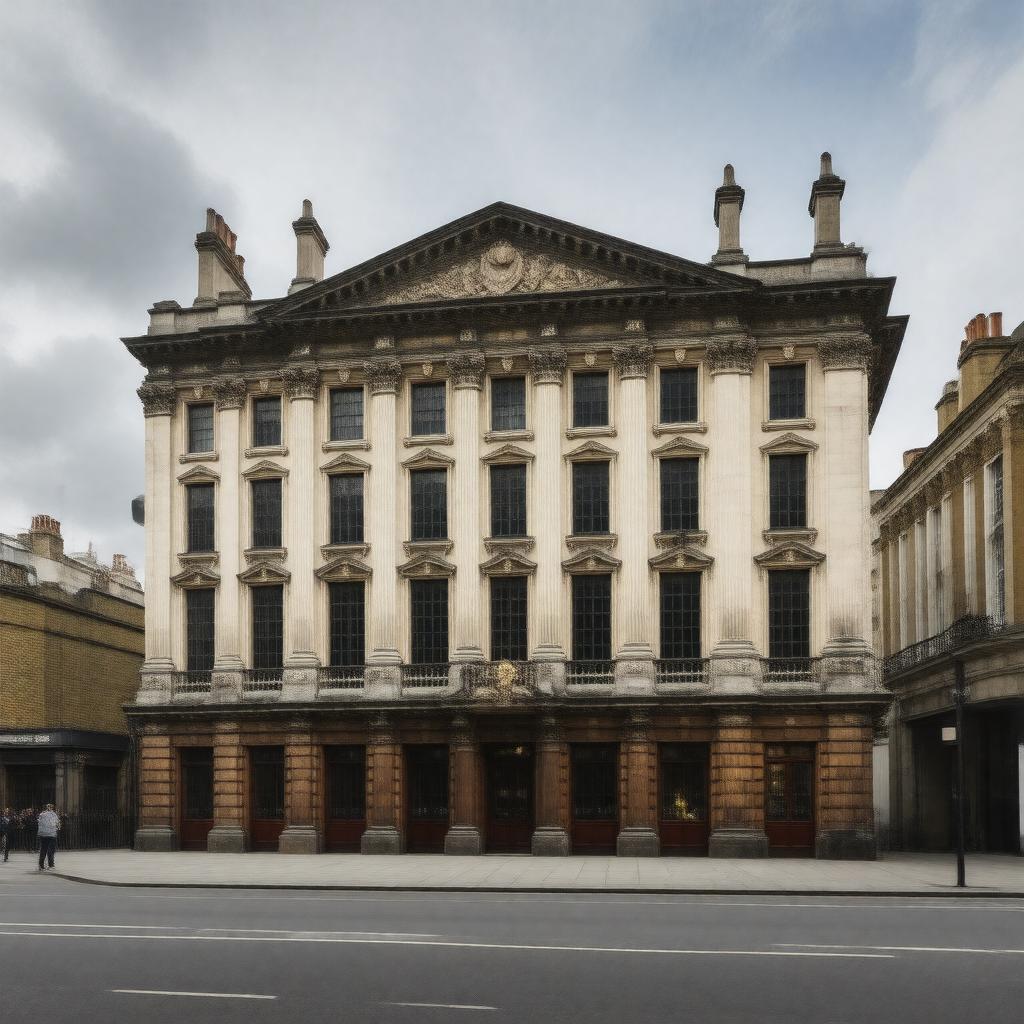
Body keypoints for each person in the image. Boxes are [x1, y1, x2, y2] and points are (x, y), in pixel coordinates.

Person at [36, 804, 60, 871]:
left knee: (43, 850)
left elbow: (39, 823)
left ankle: (41, 866)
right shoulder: (54, 815)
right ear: (52, 808)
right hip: (52, 834)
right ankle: (51, 865)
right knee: (51, 850)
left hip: (43, 835)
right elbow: (57, 824)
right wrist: (57, 829)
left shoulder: (42, 814)